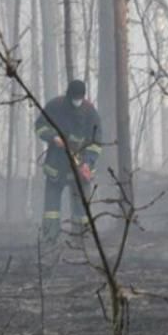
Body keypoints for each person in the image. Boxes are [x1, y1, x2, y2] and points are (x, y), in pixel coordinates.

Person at [35, 79, 102, 243]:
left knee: (81, 207)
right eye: (75, 97)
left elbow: (96, 142)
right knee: (51, 208)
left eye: (80, 98)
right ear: (68, 94)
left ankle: (81, 239)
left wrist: (88, 162)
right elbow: (40, 126)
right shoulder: (55, 106)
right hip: (57, 166)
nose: (77, 101)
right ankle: (50, 238)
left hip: (80, 168)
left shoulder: (90, 112)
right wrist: (53, 137)